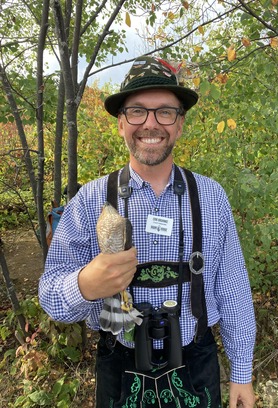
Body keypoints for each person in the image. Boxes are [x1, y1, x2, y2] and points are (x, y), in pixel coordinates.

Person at [39, 55, 256, 408]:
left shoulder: (211, 197)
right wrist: (85, 284)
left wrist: (242, 373)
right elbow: (50, 297)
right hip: (118, 366)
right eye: (137, 111)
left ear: (180, 123)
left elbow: (233, 291)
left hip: (196, 364)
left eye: (165, 112)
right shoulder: (90, 199)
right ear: (121, 124)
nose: (151, 124)